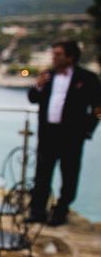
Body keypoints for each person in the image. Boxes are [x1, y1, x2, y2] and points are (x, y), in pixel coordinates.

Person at [27, 40, 101, 226]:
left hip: (72, 136)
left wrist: (88, 130)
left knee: (69, 175)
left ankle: (60, 211)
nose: (54, 57)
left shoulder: (87, 78)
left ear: (71, 57)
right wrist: (37, 86)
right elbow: (32, 99)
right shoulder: (48, 76)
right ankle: (37, 211)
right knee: (42, 174)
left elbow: (98, 107)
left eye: (58, 54)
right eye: (53, 54)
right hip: (48, 133)